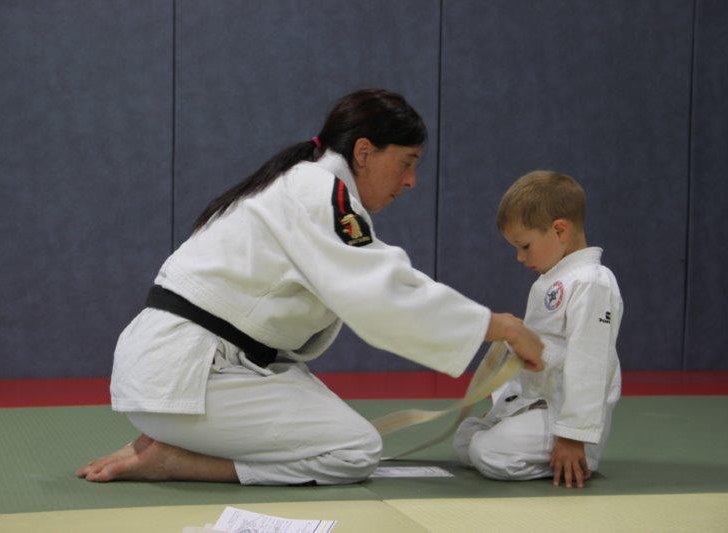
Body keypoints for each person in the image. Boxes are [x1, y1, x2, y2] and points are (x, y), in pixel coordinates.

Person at [76, 89, 544, 486]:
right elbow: (384, 294)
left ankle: (174, 436)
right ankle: (178, 460)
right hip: (188, 376)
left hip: (187, 368)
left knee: (335, 427)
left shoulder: (301, 184)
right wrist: (502, 327)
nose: (410, 181)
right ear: (364, 152)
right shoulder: (319, 194)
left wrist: (489, 325)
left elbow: (380, 277)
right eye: (406, 163)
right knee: (356, 450)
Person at [453, 170, 622, 488]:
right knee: (465, 441)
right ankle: (521, 438)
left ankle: (576, 455)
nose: (520, 257)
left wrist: (573, 436)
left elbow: (591, 363)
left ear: (560, 230)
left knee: (487, 452)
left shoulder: (593, 281)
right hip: (535, 404)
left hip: (565, 418)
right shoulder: (553, 279)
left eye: (525, 246)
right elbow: (543, 351)